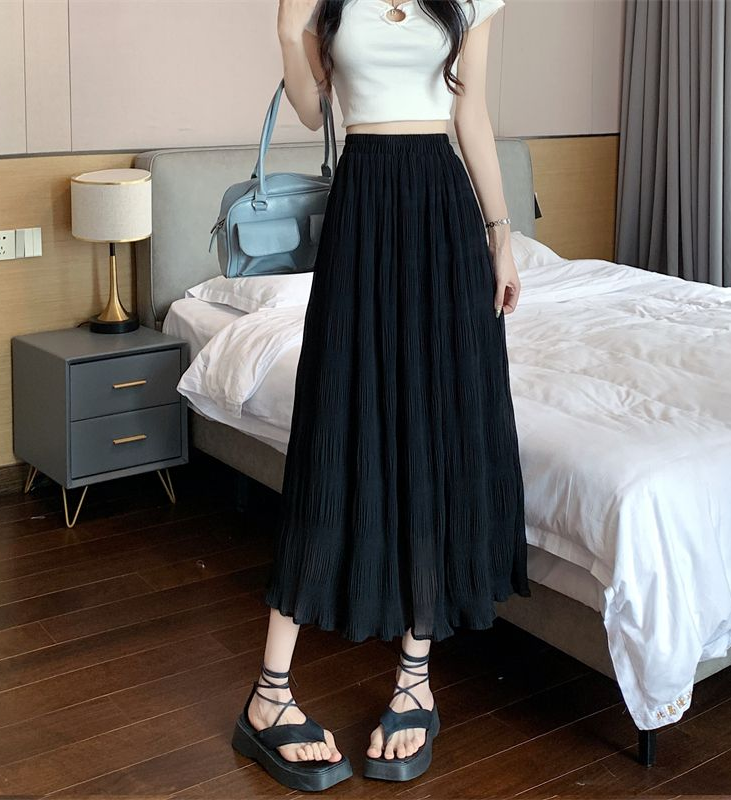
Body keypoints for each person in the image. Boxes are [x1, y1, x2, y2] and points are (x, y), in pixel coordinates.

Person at [230, 0, 531, 791]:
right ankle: (268, 695)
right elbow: (310, 109)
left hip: (444, 213)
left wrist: (501, 239)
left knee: (431, 426)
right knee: (335, 424)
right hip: (362, 209)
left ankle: (415, 679)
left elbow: (472, 114)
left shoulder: (470, 2)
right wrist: (290, 29)